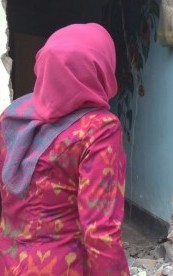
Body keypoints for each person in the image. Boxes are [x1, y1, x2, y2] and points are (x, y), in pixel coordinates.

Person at [0, 23, 130, 275]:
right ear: (102, 69)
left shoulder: (13, 116)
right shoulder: (99, 129)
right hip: (60, 266)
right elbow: (100, 233)